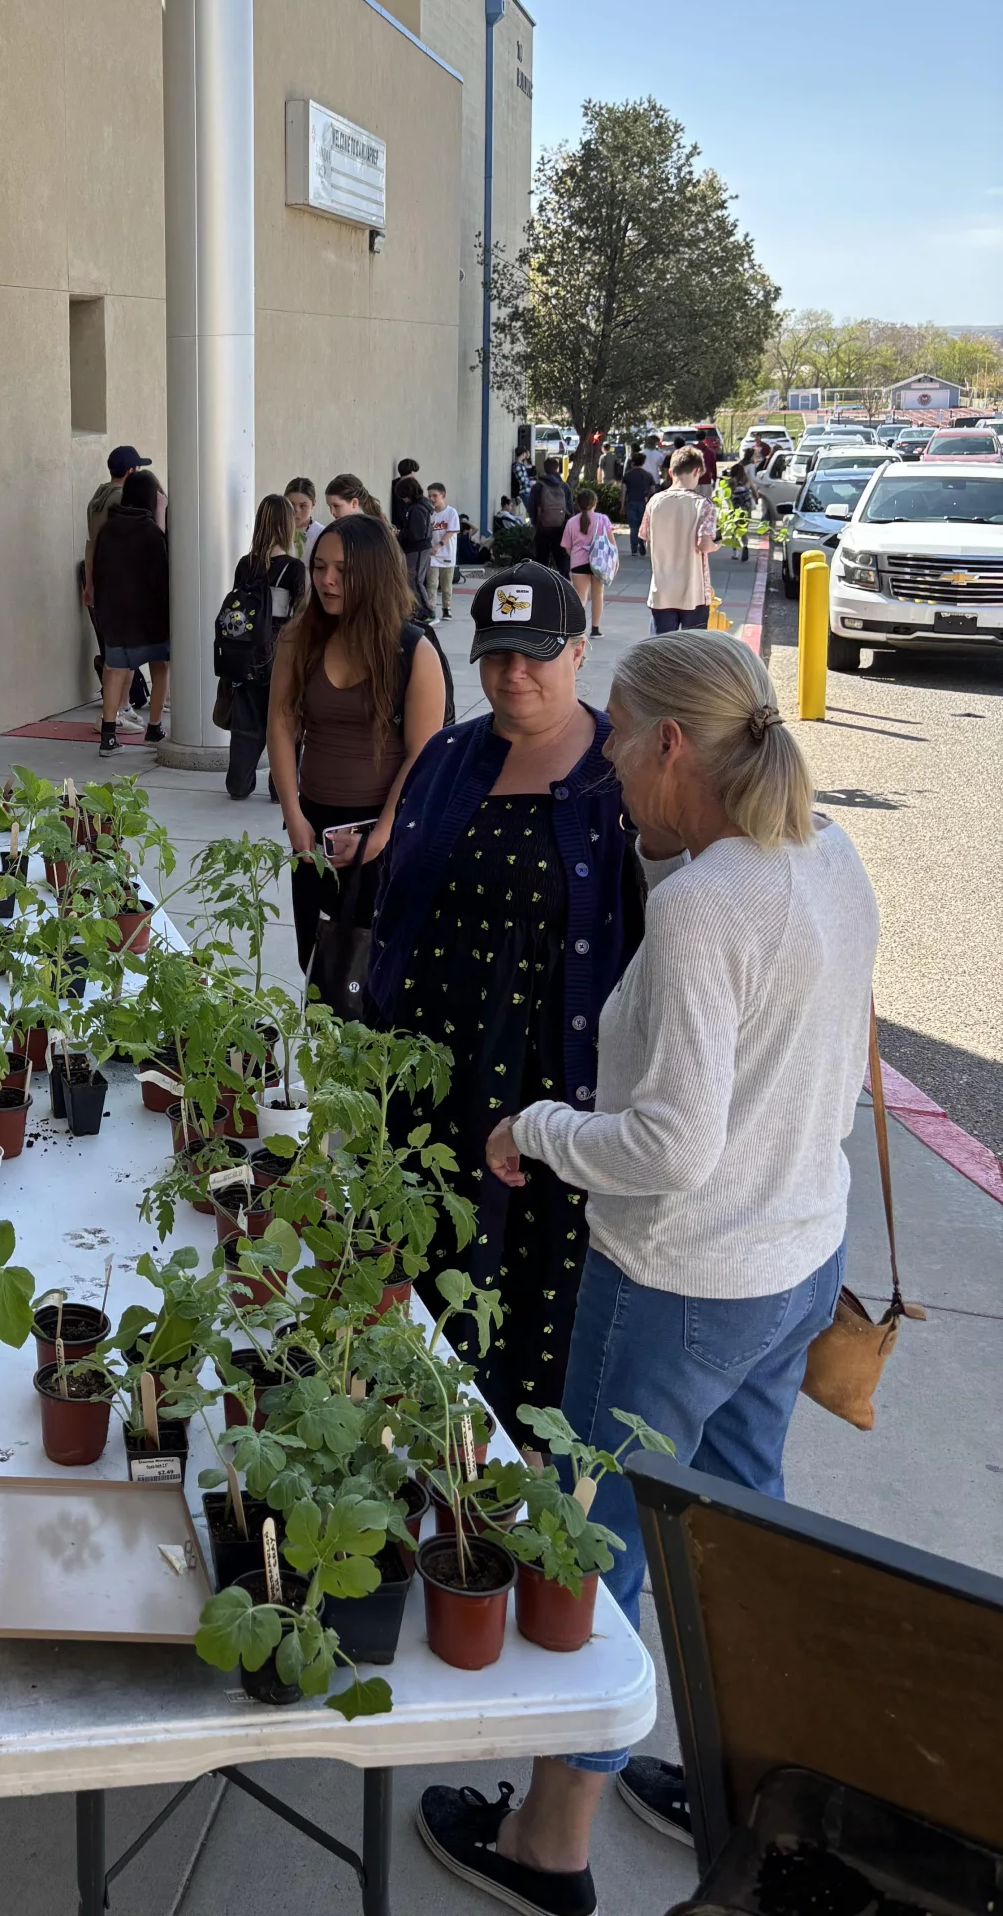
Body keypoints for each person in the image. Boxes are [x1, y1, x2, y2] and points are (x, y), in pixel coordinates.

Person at [427, 634, 876, 1915]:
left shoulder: (699, 909)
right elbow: (825, 1069)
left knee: (594, 1555)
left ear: (673, 745)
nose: (608, 763)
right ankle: (742, 1793)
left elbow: (668, 1147)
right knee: (734, 1536)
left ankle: (549, 1846)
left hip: (678, 1287)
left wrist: (537, 1129)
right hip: (796, 1263)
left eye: (621, 740)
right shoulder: (827, 854)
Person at [363, 562, 646, 1433]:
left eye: (535, 655)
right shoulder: (450, 755)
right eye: (495, 656)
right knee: (427, 1246)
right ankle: (419, 1427)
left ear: (578, 652)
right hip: (432, 1068)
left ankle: (507, 1464)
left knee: (527, 1282)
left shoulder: (619, 771)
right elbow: (401, 901)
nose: (513, 675)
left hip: (547, 1082)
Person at [270, 514, 446, 972]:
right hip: (312, 829)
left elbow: (422, 757)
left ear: (373, 573)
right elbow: (281, 724)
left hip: (386, 830)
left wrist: (378, 838)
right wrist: (293, 815)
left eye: (343, 571)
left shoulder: (414, 651)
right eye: (319, 567)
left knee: (377, 974)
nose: (327, 581)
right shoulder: (298, 638)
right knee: (321, 968)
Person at [222, 492, 307, 801]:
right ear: (288, 526)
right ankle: (280, 787)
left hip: (244, 656)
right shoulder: (295, 569)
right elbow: (300, 616)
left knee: (245, 723)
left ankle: (239, 784)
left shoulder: (247, 565)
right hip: (280, 654)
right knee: (285, 722)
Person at [89, 469, 170, 754]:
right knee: (161, 666)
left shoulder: (108, 529)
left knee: (115, 669)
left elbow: (98, 569)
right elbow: (162, 566)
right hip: (150, 616)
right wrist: (161, 513)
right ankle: (154, 727)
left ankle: (108, 736)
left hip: (115, 614)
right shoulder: (151, 531)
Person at [84, 445, 153, 722]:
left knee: (115, 648)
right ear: (130, 471)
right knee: (127, 651)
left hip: (101, 580)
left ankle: (120, 707)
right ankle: (119, 708)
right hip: (123, 582)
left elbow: (91, 545)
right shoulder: (123, 499)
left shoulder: (97, 498)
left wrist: (89, 584)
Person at [644, 445, 716, 632]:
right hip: (694, 591)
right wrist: (717, 544)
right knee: (692, 653)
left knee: (660, 651)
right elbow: (704, 544)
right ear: (697, 471)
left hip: (662, 589)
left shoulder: (654, 502)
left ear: (670, 472)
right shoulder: (703, 505)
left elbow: (647, 538)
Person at [560, 484, 609, 638]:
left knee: (580, 597)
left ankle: (577, 629)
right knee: (597, 595)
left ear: (578, 504)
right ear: (594, 503)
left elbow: (567, 547)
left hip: (578, 563)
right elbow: (611, 544)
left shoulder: (571, 522)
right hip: (599, 563)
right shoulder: (603, 519)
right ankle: (595, 629)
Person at [390, 458, 432, 617]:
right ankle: (418, 609)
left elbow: (417, 533)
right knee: (412, 580)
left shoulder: (417, 509)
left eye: (404, 497)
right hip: (416, 548)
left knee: (415, 581)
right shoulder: (418, 507)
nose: (403, 500)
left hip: (418, 548)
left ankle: (425, 611)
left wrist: (401, 534)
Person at [525, 460, 571, 573]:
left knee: (542, 558)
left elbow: (531, 508)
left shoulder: (538, 486)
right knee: (562, 558)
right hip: (560, 528)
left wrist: (536, 523)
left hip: (542, 528)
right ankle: (565, 583)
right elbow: (570, 509)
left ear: (545, 469)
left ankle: (542, 582)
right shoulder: (564, 486)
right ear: (557, 468)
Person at [425, 482, 459, 619]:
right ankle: (431, 610)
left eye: (435, 495)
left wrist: (438, 546)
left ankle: (447, 608)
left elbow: (450, 532)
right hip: (432, 555)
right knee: (432, 584)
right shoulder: (430, 513)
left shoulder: (451, 512)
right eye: (429, 496)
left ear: (443, 495)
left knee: (446, 585)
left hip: (446, 553)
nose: (432, 498)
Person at [622, 447, 657, 559]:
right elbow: (653, 491)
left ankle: (634, 548)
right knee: (643, 525)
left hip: (631, 502)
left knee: (633, 527)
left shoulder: (627, 475)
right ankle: (642, 540)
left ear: (632, 463)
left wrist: (622, 505)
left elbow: (623, 491)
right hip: (643, 502)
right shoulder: (648, 475)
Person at [284, 477, 324, 557]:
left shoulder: (321, 534)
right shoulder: (277, 531)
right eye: (291, 505)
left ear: (313, 504)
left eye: (302, 506)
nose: (296, 511)